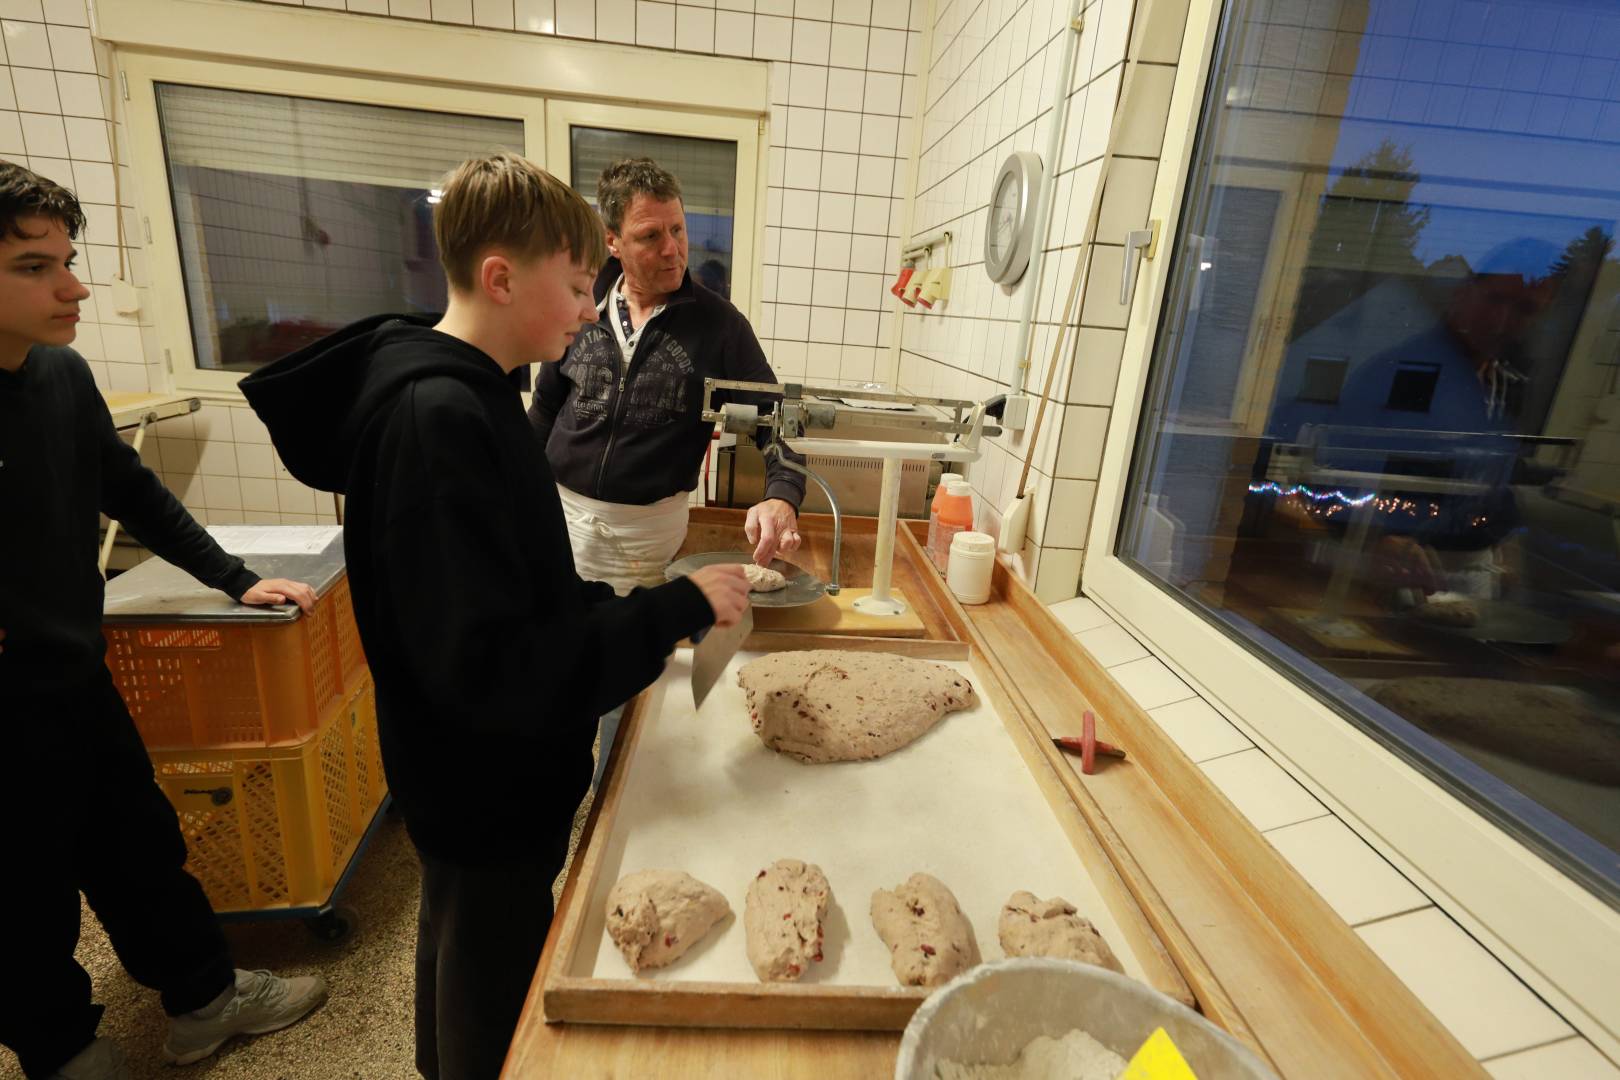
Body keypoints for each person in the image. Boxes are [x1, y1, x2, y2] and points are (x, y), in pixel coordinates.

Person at [239, 152, 751, 1080]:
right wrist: (672, 607)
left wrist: (642, 607)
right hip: (486, 790)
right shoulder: (441, 423)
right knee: (489, 999)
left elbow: (526, 597)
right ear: (502, 277)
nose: (588, 308)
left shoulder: (474, 399)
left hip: (468, 785)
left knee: (459, 954)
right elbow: (502, 669)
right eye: (573, 283)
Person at [0, 163, 326, 1080]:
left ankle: (202, 999)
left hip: (74, 678)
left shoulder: (59, 376)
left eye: (67, 259)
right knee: (23, 899)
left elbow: (133, 492)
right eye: (35, 267)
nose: (75, 287)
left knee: (139, 846)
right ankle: (61, 1050)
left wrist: (234, 577)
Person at [528, 156, 808, 594]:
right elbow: (545, 409)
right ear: (613, 242)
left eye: (677, 229)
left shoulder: (720, 325)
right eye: (650, 236)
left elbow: (779, 421)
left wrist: (782, 494)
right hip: (557, 518)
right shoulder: (581, 307)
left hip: (647, 539)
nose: (672, 249)